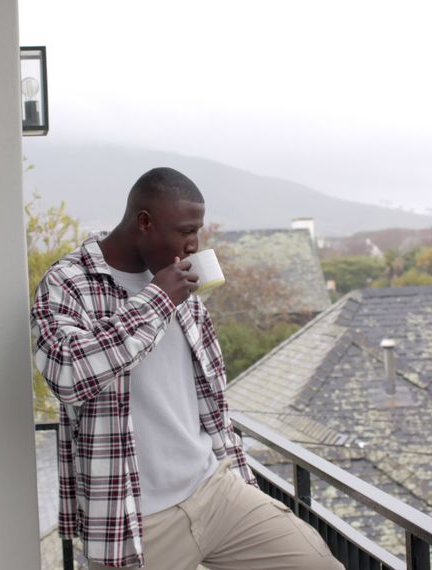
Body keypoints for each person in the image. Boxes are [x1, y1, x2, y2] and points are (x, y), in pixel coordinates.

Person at [30, 167, 343, 569]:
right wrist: (159, 297)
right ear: (144, 221)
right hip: (134, 521)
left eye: (198, 230)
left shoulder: (178, 279)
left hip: (213, 490)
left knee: (317, 562)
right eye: (185, 230)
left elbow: (207, 395)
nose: (194, 244)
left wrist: (239, 476)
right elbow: (68, 374)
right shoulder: (68, 283)